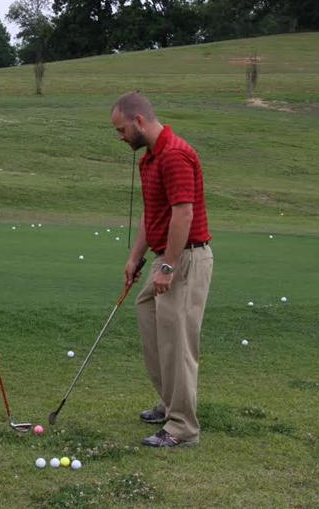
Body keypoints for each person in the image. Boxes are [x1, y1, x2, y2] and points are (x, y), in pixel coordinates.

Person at [111, 92, 213, 448]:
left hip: (186, 258)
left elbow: (182, 214)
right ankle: (171, 404)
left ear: (139, 121)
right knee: (150, 321)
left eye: (122, 130)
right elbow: (152, 214)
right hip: (166, 256)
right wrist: (134, 257)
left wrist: (168, 266)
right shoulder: (150, 159)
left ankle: (183, 427)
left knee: (178, 342)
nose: (121, 137)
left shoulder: (174, 155)